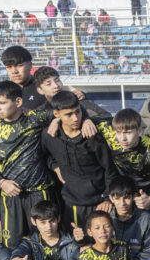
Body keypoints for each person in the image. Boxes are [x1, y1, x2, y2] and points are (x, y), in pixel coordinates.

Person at [0, 82, 60, 249]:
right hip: (10, 194)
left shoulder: (34, 118)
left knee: (45, 244)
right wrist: (1, 182)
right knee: (11, 246)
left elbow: (67, 112)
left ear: (18, 102)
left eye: (2, 103)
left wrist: (56, 120)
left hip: (39, 192)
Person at [40, 91, 116, 237]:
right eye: (69, 114)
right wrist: (55, 167)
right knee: (77, 246)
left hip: (100, 203)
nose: (75, 118)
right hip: (72, 203)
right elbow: (45, 156)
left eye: (78, 112)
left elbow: (109, 168)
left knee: (103, 246)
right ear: (56, 114)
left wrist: (107, 198)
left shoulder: (93, 135)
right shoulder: (49, 135)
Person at [105, 108, 150, 214]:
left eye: (128, 133)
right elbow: (91, 115)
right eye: (118, 133)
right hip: (127, 189)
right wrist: (87, 121)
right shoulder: (109, 133)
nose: (122, 138)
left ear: (139, 131)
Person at [107, 176, 150, 260]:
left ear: (134, 196)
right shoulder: (106, 218)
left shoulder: (146, 219)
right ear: (111, 198)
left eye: (126, 198)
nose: (122, 203)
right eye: (117, 198)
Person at [2, 46, 47, 110]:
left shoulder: (43, 88)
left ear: (30, 65)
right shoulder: (4, 92)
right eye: (9, 67)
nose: (14, 71)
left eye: (19, 66)